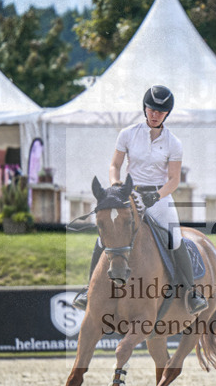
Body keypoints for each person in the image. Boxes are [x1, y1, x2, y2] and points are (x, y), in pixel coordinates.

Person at [73, 86, 207, 315]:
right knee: (103, 238)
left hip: (159, 196)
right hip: (129, 194)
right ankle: (89, 290)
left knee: (175, 238)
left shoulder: (174, 143)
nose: (155, 115)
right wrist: (116, 186)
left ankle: (191, 292)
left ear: (167, 114)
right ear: (145, 108)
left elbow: (174, 179)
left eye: (160, 112)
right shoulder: (127, 134)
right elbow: (115, 165)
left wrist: (156, 196)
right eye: (152, 109)